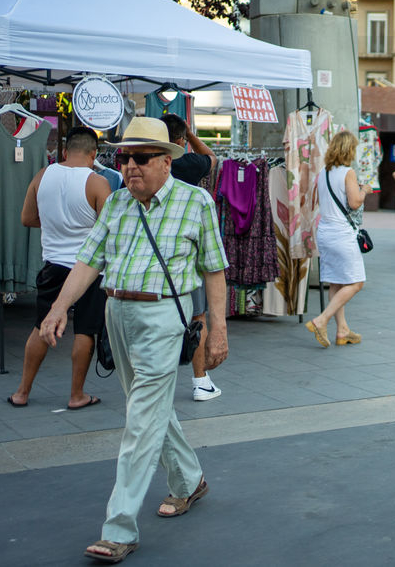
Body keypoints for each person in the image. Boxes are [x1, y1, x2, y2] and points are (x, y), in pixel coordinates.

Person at [38, 117, 229, 564]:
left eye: (141, 158)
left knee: (141, 420)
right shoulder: (118, 203)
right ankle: (189, 481)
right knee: (148, 408)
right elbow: (88, 260)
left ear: (166, 162)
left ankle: (118, 527)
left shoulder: (195, 202)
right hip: (116, 314)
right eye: (124, 158)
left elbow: (215, 270)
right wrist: (57, 308)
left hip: (164, 314)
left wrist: (218, 329)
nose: (130, 167)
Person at [7, 127, 112, 410]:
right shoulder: (98, 183)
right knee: (85, 331)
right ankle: (76, 394)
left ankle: (22, 392)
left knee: (42, 325)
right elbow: (108, 230)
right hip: (89, 269)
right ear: (94, 154)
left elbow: (27, 218)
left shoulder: (43, 175)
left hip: (53, 264)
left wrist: (56, 225)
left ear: (64, 152)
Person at [161, 114, 222, 402]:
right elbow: (212, 157)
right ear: (181, 141)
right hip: (186, 257)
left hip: (152, 258)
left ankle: (156, 382)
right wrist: (191, 135)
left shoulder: (142, 167)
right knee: (196, 318)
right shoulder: (188, 164)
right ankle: (200, 381)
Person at [307, 130, 371, 348]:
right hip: (341, 234)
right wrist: (365, 191)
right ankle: (321, 320)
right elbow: (354, 203)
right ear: (349, 149)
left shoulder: (323, 173)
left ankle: (342, 330)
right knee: (356, 282)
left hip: (325, 232)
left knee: (337, 281)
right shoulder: (348, 172)